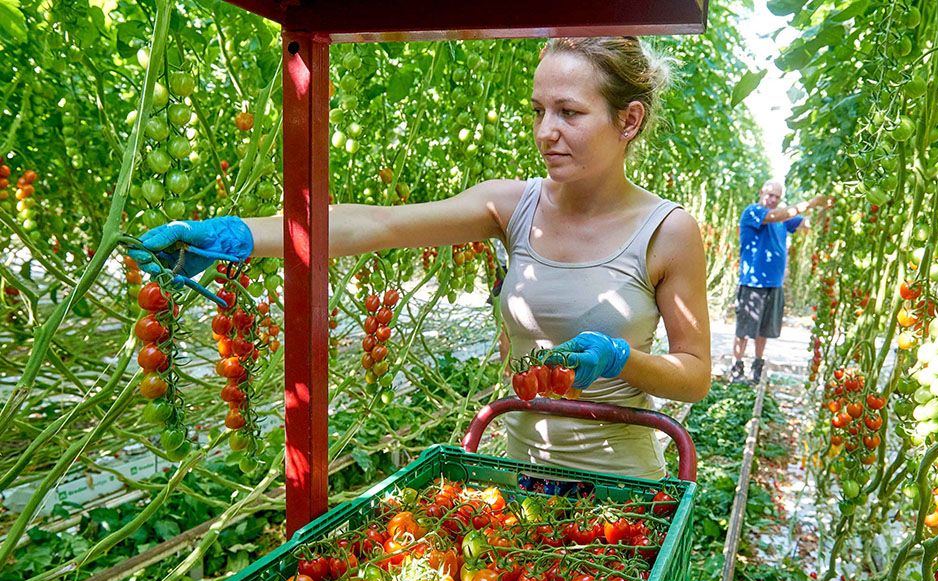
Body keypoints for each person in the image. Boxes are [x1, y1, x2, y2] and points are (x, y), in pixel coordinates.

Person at [128, 36, 712, 482]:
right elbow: (378, 223)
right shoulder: (511, 205)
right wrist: (234, 236)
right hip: (518, 480)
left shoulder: (666, 230)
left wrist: (621, 359)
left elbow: (694, 376)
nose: (545, 132)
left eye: (569, 113)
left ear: (628, 120)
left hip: (620, 490)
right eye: (538, 111)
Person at [730, 179, 830, 384]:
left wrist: (825, 209)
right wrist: (810, 203)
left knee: (764, 329)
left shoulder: (784, 220)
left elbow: (808, 225)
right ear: (761, 193)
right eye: (770, 194)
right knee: (744, 331)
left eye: (777, 196)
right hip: (753, 283)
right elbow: (777, 215)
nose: (773, 199)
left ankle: (757, 367)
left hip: (774, 284)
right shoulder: (753, 212)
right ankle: (737, 368)